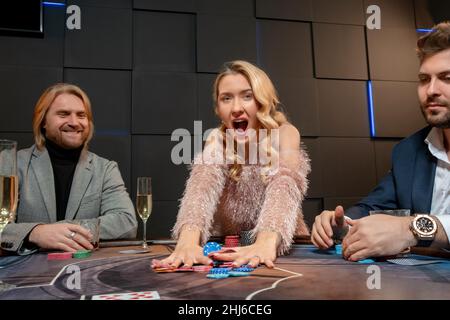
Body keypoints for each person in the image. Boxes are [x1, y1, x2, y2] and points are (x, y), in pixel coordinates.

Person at [311, 22, 450, 261]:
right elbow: (373, 207)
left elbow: (406, 228)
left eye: (446, 78)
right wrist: (341, 224)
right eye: (424, 79)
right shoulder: (407, 152)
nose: (431, 90)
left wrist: (412, 229)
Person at [153, 60, 311, 269]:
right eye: (226, 98)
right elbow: (200, 189)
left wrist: (265, 243)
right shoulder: (216, 140)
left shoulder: (285, 134)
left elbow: (285, 185)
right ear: (218, 109)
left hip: (284, 252)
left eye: (247, 96)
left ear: (263, 102)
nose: (236, 108)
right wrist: (188, 243)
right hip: (231, 253)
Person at [0, 83, 137, 255]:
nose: (74, 122)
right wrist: (36, 233)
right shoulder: (12, 163)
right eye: (63, 114)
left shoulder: (105, 169)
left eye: (81, 115)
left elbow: (126, 222)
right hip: (22, 277)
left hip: (84, 273)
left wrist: (59, 230)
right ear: (43, 121)